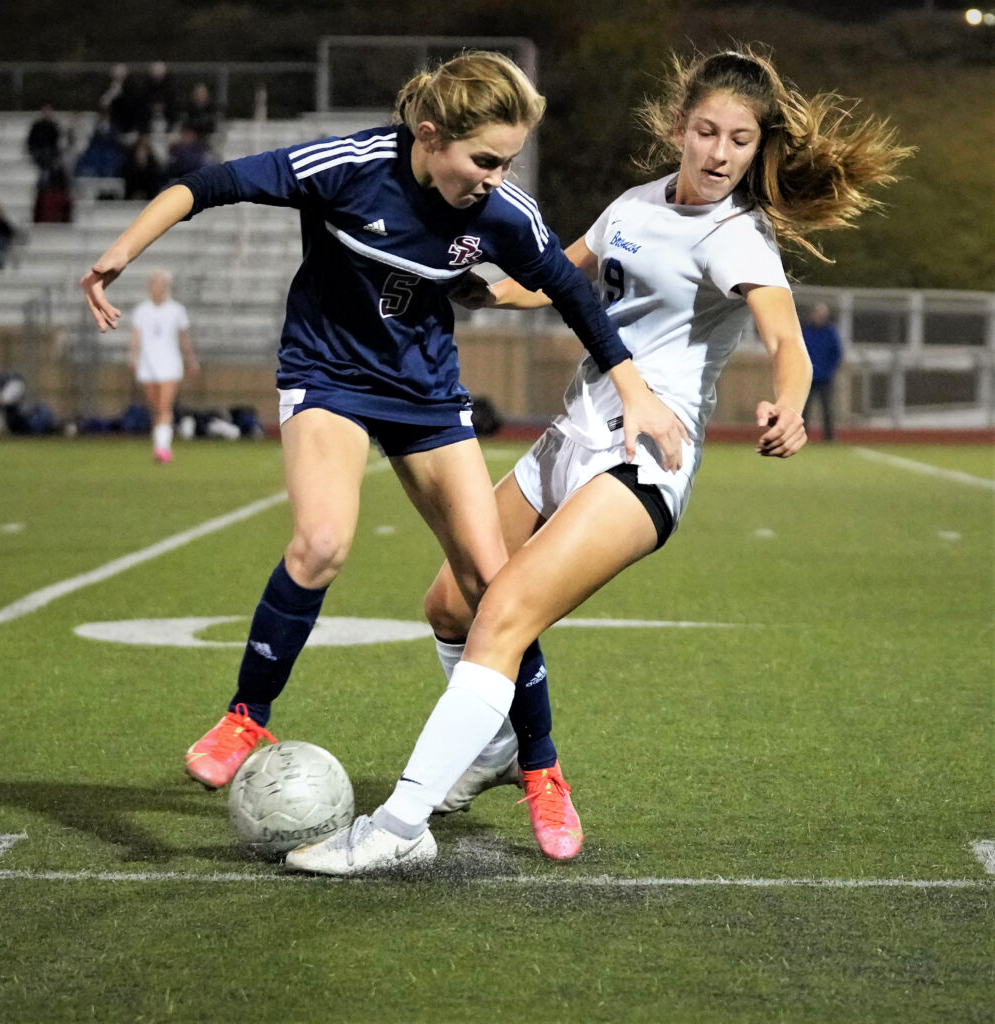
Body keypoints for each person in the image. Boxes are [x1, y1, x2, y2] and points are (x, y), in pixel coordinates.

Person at [284, 46, 914, 876]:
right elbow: (558, 280)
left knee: (503, 612)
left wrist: (789, 403)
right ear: (680, 128)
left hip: (643, 463)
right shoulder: (634, 205)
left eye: (740, 140)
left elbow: (784, 340)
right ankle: (497, 750)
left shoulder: (739, 238)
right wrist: (482, 287)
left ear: (759, 148)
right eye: (706, 132)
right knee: (448, 604)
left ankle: (397, 828)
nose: (720, 153)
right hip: (568, 438)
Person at [80, 51, 671, 789]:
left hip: (425, 392)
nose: (496, 177)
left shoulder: (504, 211)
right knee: (322, 543)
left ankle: (541, 769)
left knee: (493, 583)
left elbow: (574, 296)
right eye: (484, 159)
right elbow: (208, 185)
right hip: (326, 375)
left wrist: (634, 390)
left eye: (508, 162)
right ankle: (245, 716)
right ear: (429, 135)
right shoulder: (350, 164)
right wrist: (119, 254)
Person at [128, 269, 198, 463]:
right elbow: (136, 337)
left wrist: (190, 359)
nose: (158, 289)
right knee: (155, 407)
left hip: (170, 363)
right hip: (148, 363)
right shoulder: (142, 310)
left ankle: (162, 448)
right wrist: (133, 356)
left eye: (161, 285)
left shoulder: (177, 310)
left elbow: (184, 338)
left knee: (165, 406)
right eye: (155, 285)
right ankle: (159, 444)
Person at [800, 302, 843, 441]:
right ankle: (800, 436)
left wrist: (829, 371)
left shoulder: (831, 333)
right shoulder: (805, 331)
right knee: (803, 409)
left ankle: (829, 437)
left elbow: (837, 354)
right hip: (807, 378)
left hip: (825, 378)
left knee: (827, 409)